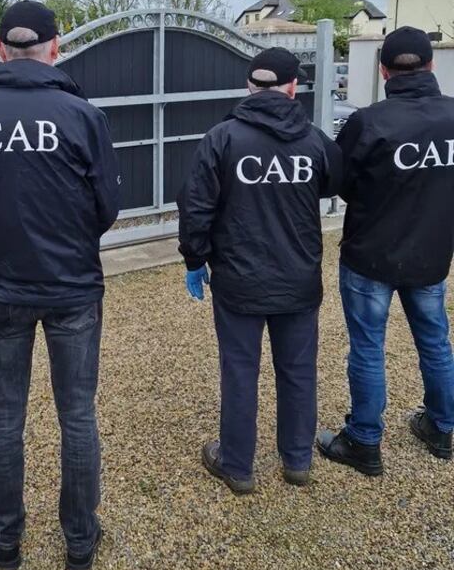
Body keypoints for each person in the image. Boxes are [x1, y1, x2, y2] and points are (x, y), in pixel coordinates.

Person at [0, 0, 120, 570]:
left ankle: (6, 542)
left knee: (5, 413)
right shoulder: (82, 115)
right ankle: (78, 541)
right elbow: (106, 208)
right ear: (55, 47)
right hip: (71, 287)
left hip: (0, 288)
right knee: (77, 414)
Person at [178, 47, 342, 494]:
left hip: (239, 279)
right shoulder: (314, 140)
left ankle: (238, 465)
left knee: (240, 369)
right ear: (293, 87)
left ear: (250, 86)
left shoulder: (223, 138)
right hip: (298, 277)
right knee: (298, 369)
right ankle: (297, 460)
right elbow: (336, 181)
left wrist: (195, 259)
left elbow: (195, 205)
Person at [318, 26, 454, 474]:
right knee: (436, 344)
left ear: (384, 71)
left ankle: (364, 440)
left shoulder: (369, 121)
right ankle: (442, 427)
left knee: (368, 348)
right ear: (431, 65)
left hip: (371, 254)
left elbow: (339, 182)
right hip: (431, 253)